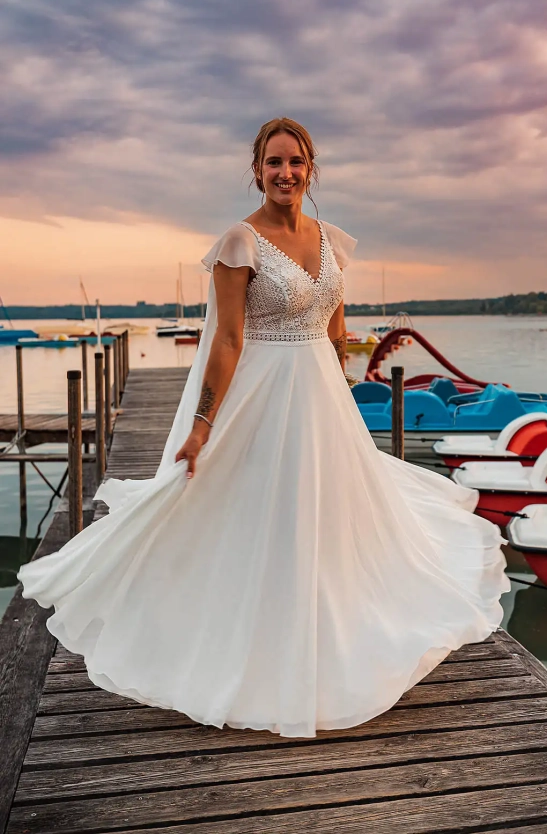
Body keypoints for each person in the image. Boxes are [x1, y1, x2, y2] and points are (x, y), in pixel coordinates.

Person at [17, 116, 509, 739]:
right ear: (256, 171)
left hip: (319, 397)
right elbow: (227, 339)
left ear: (311, 169)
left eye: (296, 162)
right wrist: (202, 424)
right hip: (262, 390)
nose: (285, 173)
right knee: (260, 511)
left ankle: (326, 628)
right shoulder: (238, 243)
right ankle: (249, 642)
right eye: (273, 162)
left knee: (327, 513)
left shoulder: (332, 240)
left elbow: (335, 327)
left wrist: (341, 396)